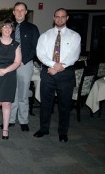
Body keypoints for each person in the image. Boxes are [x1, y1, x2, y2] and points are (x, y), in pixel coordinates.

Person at [34, 8, 81, 142]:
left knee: (64, 104)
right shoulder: (45, 35)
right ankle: (44, 129)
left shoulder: (75, 36)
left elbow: (74, 55)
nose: (59, 19)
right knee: (45, 103)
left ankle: (63, 132)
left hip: (66, 74)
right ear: (53, 18)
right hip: (48, 72)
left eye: (62, 16)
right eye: (57, 16)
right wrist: (53, 65)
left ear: (67, 18)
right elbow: (40, 53)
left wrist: (60, 67)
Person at [1, 2, 39, 132]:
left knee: (23, 94)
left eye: (22, 10)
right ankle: (10, 120)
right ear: (13, 12)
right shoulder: (8, 28)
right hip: (10, 65)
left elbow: (35, 48)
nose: (19, 12)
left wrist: (22, 60)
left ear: (26, 12)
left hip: (25, 64)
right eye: (17, 10)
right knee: (11, 93)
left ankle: (23, 120)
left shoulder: (33, 28)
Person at [0, 20, 22, 139]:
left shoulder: (16, 45)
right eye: (5, 27)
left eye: (9, 27)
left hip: (9, 76)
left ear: (12, 30)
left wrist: (5, 70)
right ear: (1, 29)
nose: (7, 29)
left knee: (7, 104)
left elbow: (17, 62)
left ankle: (5, 129)